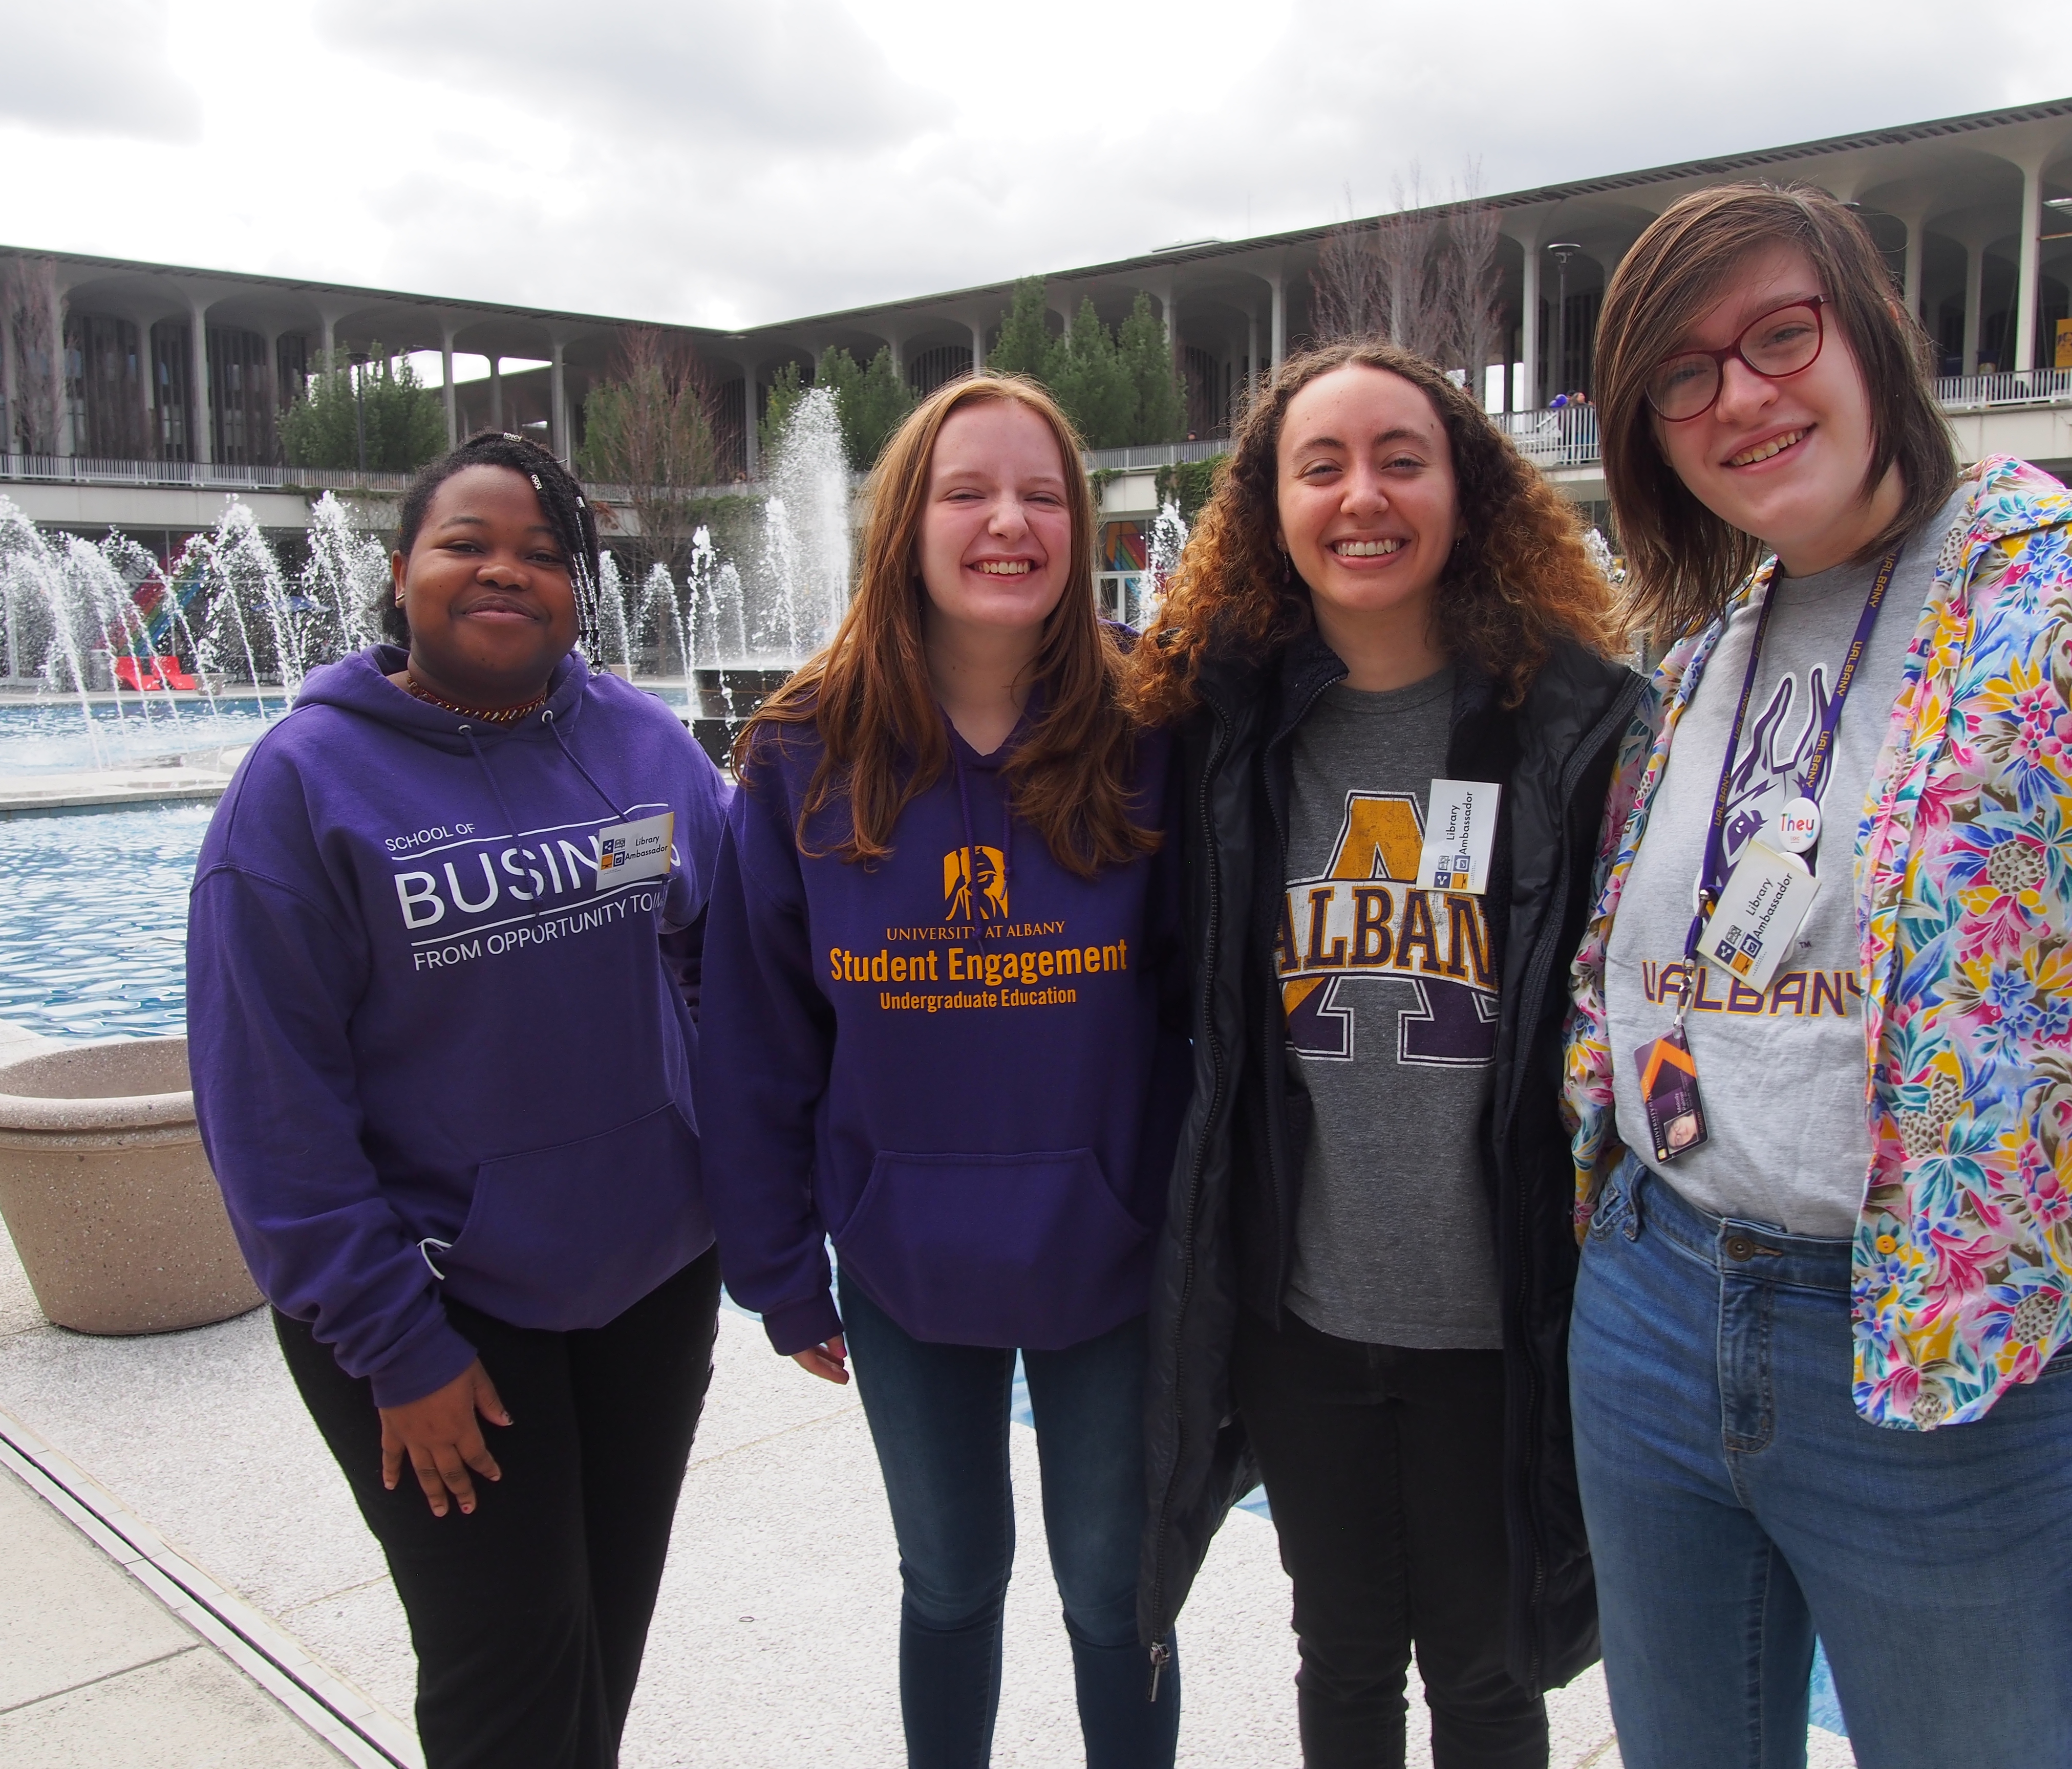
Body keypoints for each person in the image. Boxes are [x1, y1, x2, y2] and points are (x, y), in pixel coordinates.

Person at [1564, 183, 2072, 1769]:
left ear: (1872, 333)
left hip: (1964, 1373)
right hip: (1661, 1310)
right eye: (1683, 371)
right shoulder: (1707, 650)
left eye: (1778, 334)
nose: (1739, 391)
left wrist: (2034, 1211)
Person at [186, 432, 731, 1769]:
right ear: (400, 573)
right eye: (468, 544)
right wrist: (398, 1348)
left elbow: (742, 948)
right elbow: (271, 1115)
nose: (508, 571)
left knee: (597, 1653)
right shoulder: (304, 786)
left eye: (546, 555)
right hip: (440, 1315)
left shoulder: (638, 740)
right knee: (506, 1685)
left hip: (649, 1287)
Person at [1129, 340, 1636, 1768]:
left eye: (1401, 459)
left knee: (1487, 1677)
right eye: (1322, 466)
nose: (1364, 496)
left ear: (1464, 493)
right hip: (1305, 1311)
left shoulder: (1581, 728)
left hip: (1500, 1317)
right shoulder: (1215, 734)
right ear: (1272, 508)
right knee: (1340, 1658)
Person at [698, 374, 1189, 1768]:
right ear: (908, 520)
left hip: (1114, 1253)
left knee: (1115, 1596)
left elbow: (1207, 1004)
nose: (1007, 523)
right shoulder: (804, 750)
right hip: (904, 1253)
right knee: (953, 1582)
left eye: (1040, 494)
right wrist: (781, 1271)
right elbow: (753, 1038)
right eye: (968, 492)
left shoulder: (1153, 726)